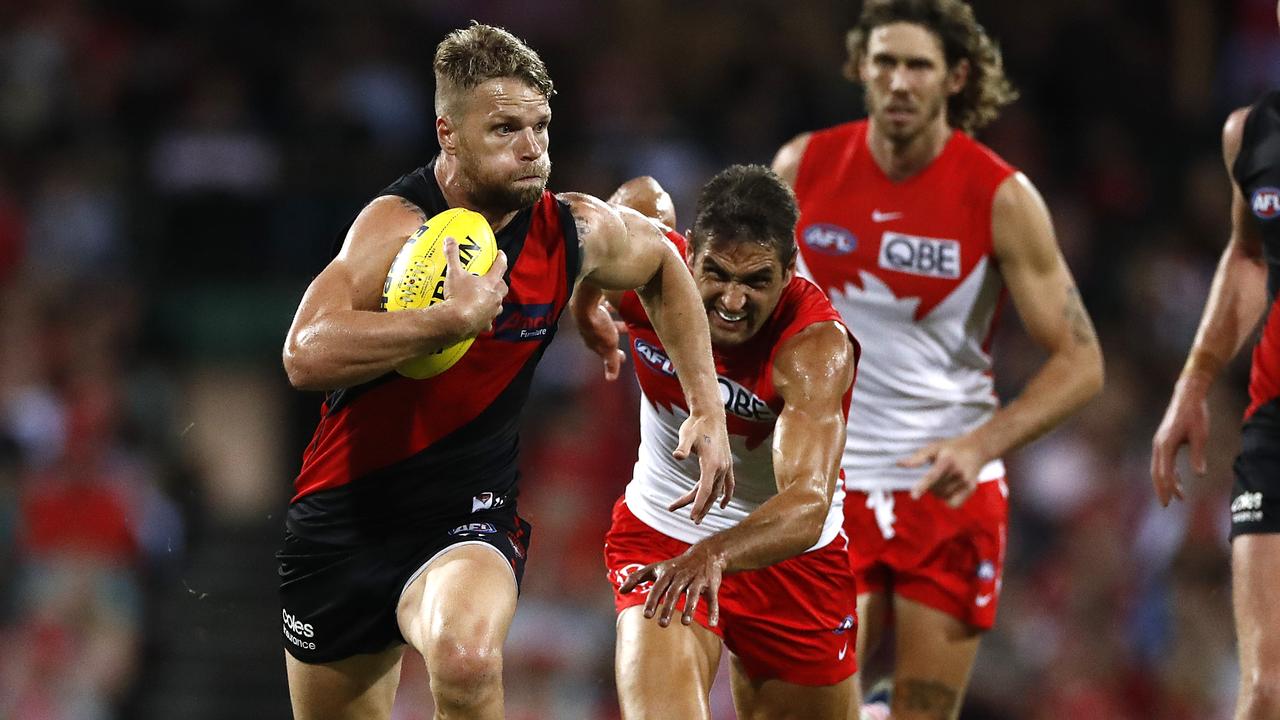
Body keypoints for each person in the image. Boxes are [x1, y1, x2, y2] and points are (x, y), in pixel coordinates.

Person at [277, 23, 733, 720]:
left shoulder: (568, 229)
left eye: (541, 126)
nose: (532, 148)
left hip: (466, 517)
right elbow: (304, 354)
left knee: (465, 658)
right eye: (504, 129)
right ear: (448, 133)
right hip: (343, 522)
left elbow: (665, 266)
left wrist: (706, 405)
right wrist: (444, 321)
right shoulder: (395, 226)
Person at [769, 1, 1105, 718]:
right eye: (884, 62)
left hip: (949, 489)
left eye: (917, 65)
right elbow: (755, 308)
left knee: (926, 709)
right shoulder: (804, 166)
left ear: (954, 77)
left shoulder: (1001, 196)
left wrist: (980, 443)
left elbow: (1081, 362)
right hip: (829, 481)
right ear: (861, 67)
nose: (898, 81)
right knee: (814, 703)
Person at [573, 166, 862, 719]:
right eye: (717, 274)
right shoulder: (653, 275)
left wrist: (713, 554)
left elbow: (807, 503)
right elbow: (606, 220)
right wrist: (587, 301)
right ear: (689, 256)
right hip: (666, 534)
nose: (732, 300)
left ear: (789, 273)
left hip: (788, 556)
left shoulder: (813, 350)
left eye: (756, 281)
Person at [1151, 6, 1280, 716]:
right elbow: (1248, 257)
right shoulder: (1252, 133)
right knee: (1264, 690)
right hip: (1273, 424)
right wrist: (1195, 381)